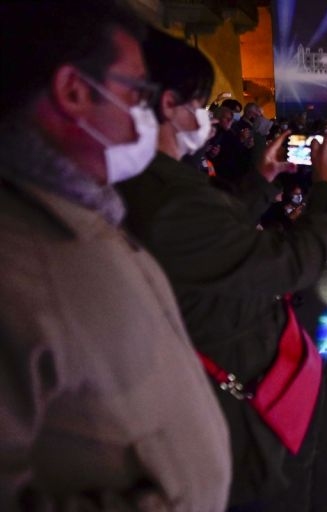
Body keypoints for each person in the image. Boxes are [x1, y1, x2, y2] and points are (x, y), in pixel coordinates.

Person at [0, 2, 231, 510]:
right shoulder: (17, 262)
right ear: (74, 93)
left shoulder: (84, 208)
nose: (145, 114)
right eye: (136, 92)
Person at [117, 29, 327, 509]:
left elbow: (209, 238)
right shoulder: (165, 197)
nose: (205, 117)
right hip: (248, 421)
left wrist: (261, 184)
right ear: (167, 105)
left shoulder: (155, 184)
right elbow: (293, 264)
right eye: (200, 105)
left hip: (241, 398)